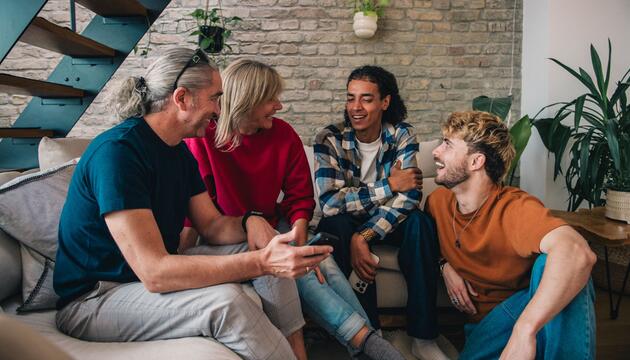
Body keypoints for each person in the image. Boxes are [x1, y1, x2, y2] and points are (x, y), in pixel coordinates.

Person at [53, 48, 332, 360]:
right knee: (227, 303)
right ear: (182, 98)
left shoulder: (178, 152)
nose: (219, 108)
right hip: (95, 299)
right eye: (215, 97)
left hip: (139, 283)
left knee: (264, 244)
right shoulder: (118, 153)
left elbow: (212, 225)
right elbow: (155, 271)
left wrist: (249, 221)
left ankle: (298, 352)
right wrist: (263, 262)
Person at [183, 59, 404, 360]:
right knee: (301, 265)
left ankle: (365, 345)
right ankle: (369, 343)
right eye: (270, 99)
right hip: (230, 237)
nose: (279, 106)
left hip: (279, 228)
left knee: (320, 263)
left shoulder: (283, 134)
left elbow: (300, 195)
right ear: (248, 101)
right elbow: (197, 213)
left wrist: (299, 231)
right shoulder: (203, 140)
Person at [425, 111, 597, 359]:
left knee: (556, 262)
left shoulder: (514, 208)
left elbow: (578, 252)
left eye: (448, 145)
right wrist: (444, 266)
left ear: (476, 162)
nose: (436, 152)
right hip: (485, 328)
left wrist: (524, 330)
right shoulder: (437, 203)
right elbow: (423, 245)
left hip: (525, 312)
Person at [314, 65, 449, 360]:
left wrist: (364, 235)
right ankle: (369, 335)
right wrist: (389, 184)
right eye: (350, 98)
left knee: (420, 224)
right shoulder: (329, 138)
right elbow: (330, 203)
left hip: (388, 220)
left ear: (385, 102)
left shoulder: (402, 134)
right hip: (345, 221)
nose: (355, 108)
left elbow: (410, 195)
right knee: (335, 224)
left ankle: (423, 338)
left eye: (366, 99)